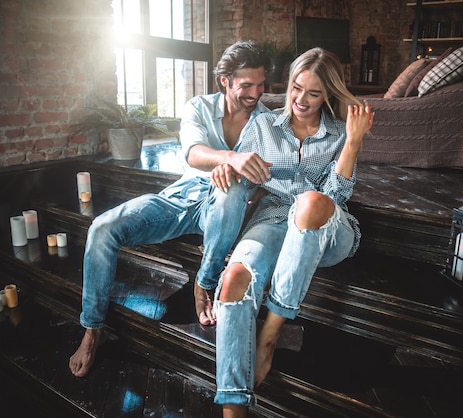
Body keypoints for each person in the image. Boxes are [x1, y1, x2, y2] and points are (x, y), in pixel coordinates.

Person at [69, 40, 274, 378]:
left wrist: (236, 177)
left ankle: (204, 282)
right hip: (181, 196)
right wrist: (229, 158)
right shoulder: (198, 106)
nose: (256, 92)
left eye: (261, 84)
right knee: (101, 229)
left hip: (227, 208)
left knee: (232, 188)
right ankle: (93, 330)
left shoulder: (268, 123)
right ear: (225, 81)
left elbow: (269, 174)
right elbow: (193, 152)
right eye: (247, 85)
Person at [203, 47, 374, 417]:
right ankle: (233, 409)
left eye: (313, 93)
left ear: (327, 94)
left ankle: (269, 334)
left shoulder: (338, 134)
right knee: (233, 280)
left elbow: (336, 196)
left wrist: (354, 140)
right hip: (272, 220)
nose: (301, 99)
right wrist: (228, 171)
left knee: (311, 202)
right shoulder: (263, 126)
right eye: (296, 88)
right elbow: (244, 181)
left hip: (326, 229)